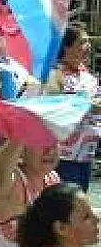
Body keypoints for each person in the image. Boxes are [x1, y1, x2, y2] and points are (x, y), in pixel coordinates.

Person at [45, 23, 100, 191]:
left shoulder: (88, 76)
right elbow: (57, 104)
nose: (88, 47)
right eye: (82, 42)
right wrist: (89, 105)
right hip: (63, 157)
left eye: (88, 42)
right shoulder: (55, 73)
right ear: (66, 48)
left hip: (85, 156)